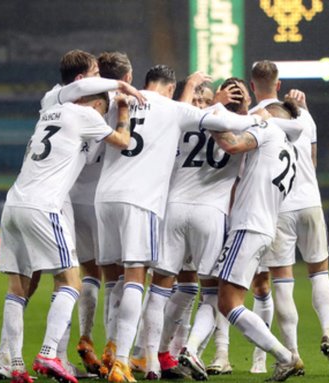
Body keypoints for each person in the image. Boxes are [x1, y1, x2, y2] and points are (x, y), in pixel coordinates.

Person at [93, 65, 266, 383]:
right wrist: (252, 114)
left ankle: (152, 360)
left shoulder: (172, 119)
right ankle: (189, 349)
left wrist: (198, 93)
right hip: (209, 214)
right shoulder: (207, 121)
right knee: (209, 293)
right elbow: (234, 139)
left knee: (158, 289)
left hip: (167, 210)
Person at [0, 87, 131, 383]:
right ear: (96, 103)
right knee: (71, 283)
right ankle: (48, 353)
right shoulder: (86, 114)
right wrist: (122, 110)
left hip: (13, 203)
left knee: (17, 289)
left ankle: (13, 364)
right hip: (44, 206)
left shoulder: (48, 112)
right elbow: (123, 140)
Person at [178, 97, 305, 382]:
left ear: (270, 116)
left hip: (248, 226)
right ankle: (193, 351)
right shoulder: (289, 148)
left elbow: (233, 144)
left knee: (228, 302)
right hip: (262, 226)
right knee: (225, 299)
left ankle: (285, 357)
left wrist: (210, 119)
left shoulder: (268, 129)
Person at [249, 60, 329, 375]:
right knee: (320, 274)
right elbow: (313, 162)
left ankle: (292, 353)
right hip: (310, 203)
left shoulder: (254, 118)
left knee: (282, 282)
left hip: (279, 207)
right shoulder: (304, 115)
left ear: (254, 86)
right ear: (278, 84)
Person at [71, 51, 136, 377]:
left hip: (71, 196)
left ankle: (82, 338)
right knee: (120, 275)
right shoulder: (120, 104)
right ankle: (113, 345)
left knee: (84, 275)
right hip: (105, 198)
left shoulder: (78, 101)